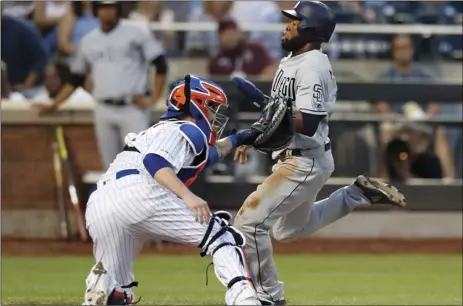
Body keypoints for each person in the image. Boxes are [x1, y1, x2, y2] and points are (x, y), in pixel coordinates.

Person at [231, 2, 406, 305]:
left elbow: (307, 123)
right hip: (299, 156)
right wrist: (255, 135)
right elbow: (278, 116)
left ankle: (270, 296)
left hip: (304, 160)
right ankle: (355, 195)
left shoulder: (313, 64)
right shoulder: (292, 61)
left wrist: (262, 103)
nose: (287, 26)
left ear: (310, 28)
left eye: (294, 22)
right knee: (286, 232)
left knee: (248, 224)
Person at [82, 75, 264, 305]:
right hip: (139, 194)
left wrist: (244, 136)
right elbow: (155, 162)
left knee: (117, 293)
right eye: (211, 106)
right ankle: (245, 300)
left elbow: (208, 155)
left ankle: (102, 287)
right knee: (222, 236)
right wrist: (187, 196)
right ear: (195, 104)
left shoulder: (161, 131)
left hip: (100, 203)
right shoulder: (188, 129)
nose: (215, 114)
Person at [34, 1, 168, 169]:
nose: (107, 11)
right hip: (103, 108)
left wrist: (154, 98)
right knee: (110, 168)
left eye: (111, 7)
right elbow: (76, 78)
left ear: (118, 9)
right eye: (103, 7)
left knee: (138, 166)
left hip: (132, 107)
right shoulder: (89, 40)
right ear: (97, 11)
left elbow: (160, 63)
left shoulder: (136, 32)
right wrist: (54, 104)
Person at [208, 17, 275, 78]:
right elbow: (212, 81)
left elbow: (270, 69)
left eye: (233, 31)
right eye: (226, 33)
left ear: (240, 32)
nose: (231, 36)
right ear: (220, 36)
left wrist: (256, 85)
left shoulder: (256, 48)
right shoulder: (216, 59)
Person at [1, 15, 49, 98]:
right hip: (5, 91)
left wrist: (26, 85)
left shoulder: (20, 31)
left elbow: (41, 57)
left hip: (31, 90)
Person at [57, 1, 99, 65]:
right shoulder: (71, 15)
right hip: (78, 61)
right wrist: (86, 53)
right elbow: (63, 45)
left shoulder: (102, 14)